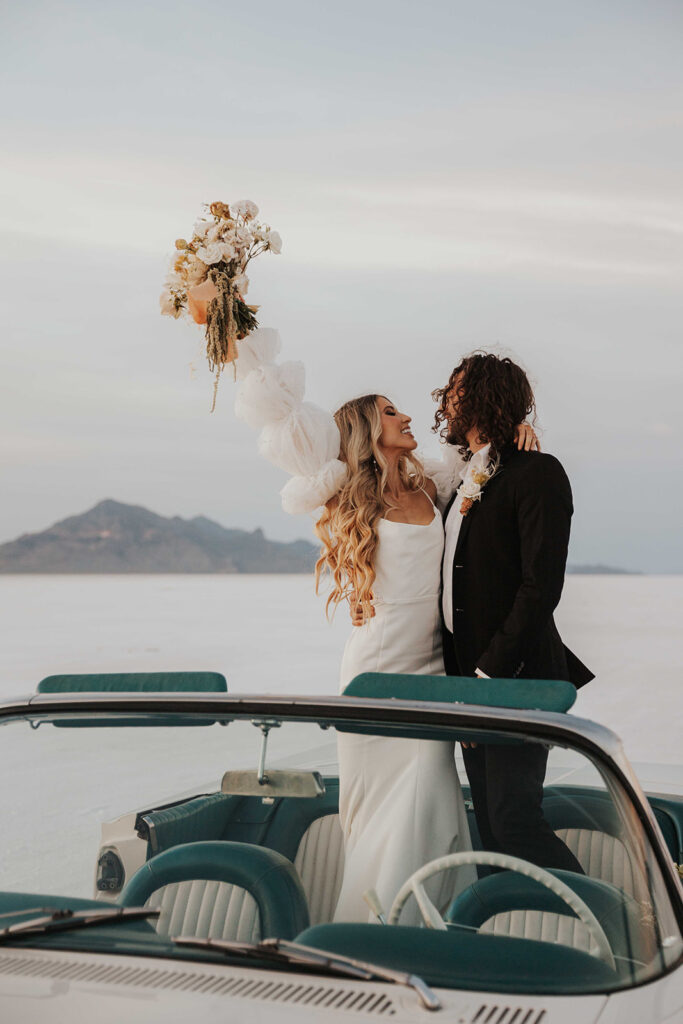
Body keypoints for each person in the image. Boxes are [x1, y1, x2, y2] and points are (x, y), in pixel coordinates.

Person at [317, 393, 536, 924]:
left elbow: (485, 462)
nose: (407, 416)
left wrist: (521, 435)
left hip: (435, 663)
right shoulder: (348, 497)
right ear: (368, 430)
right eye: (392, 413)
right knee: (379, 810)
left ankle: (440, 929)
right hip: (377, 663)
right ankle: (376, 930)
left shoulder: (432, 488)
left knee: (432, 800)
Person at [434, 352, 594, 872]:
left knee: (514, 819)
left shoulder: (538, 473)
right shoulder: (463, 478)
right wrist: (464, 679)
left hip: (515, 677)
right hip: (468, 682)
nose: (446, 399)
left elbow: (541, 586)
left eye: (456, 390)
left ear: (484, 395)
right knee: (488, 826)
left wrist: (489, 671)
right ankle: (510, 933)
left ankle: (613, 927)